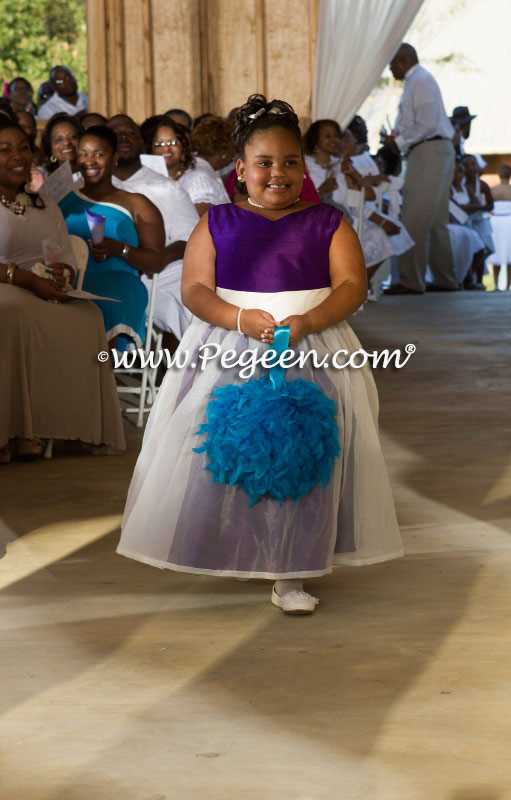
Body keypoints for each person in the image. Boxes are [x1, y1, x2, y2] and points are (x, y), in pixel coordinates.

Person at [117, 94, 403, 615]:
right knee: (225, 450)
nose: (278, 173)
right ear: (241, 170)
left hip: (311, 345)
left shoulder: (327, 222)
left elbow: (351, 285)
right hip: (232, 346)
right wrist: (238, 318)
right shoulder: (218, 223)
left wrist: (311, 320)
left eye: (290, 162)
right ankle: (234, 546)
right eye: (264, 163)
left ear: (303, 168)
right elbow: (196, 289)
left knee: (304, 452)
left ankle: (291, 566)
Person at [0, 119, 125, 463]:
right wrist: (26, 280)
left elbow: (66, 257)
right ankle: (12, 430)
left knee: (87, 317)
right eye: (5, 149)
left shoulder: (45, 205)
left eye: (23, 148)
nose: (17, 156)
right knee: (11, 310)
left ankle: (64, 428)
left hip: (40, 287)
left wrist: (60, 273)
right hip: (7, 286)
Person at [59, 126, 165, 350]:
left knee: (103, 300)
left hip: (117, 280)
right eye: (83, 154)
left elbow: (156, 261)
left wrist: (121, 250)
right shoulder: (63, 201)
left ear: (114, 157)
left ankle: (101, 375)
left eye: (99, 154)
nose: (90, 161)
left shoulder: (137, 203)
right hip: (69, 279)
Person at [108, 114, 200, 347]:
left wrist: (158, 259)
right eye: (116, 133)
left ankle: (188, 379)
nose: (123, 137)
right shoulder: (84, 183)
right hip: (101, 272)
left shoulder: (166, 187)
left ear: (141, 143)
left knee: (191, 299)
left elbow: (190, 238)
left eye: (130, 132)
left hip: (158, 276)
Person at [383, 43, 457, 295]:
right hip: (437, 150)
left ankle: (411, 280)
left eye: (391, 64)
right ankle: (445, 277)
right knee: (436, 221)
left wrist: (398, 141)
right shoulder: (420, 81)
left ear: (403, 60)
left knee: (414, 217)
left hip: (428, 150)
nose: (390, 70)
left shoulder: (419, 81)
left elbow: (425, 124)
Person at [305, 120, 413, 290]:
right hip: (317, 220)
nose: (334, 140)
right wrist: (321, 191)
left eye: (336, 136)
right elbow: (302, 197)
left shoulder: (340, 165)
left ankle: (356, 288)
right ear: (315, 140)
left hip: (344, 217)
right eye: (327, 136)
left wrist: (353, 173)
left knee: (381, 234)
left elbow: (368, 196)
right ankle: (350, 287)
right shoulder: (306, 165)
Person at [448, 160, 485, 288]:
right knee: (462, 252)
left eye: (460, 172)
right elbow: (455, 208)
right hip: (454, 225)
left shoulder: (466, 188)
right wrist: (468, 207)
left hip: (467, 224)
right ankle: (464, 278)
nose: (457, 175)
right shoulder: (448, 189)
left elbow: (478, 205)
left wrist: (465, 207)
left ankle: (471, 278)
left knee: (480, 250)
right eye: (454, 172)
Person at [488, 164, 511, 291]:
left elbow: (487, 207)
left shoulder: (492, 190)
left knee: (498, 252)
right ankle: (508, 286)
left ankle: (497, 285)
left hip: (496, 221)